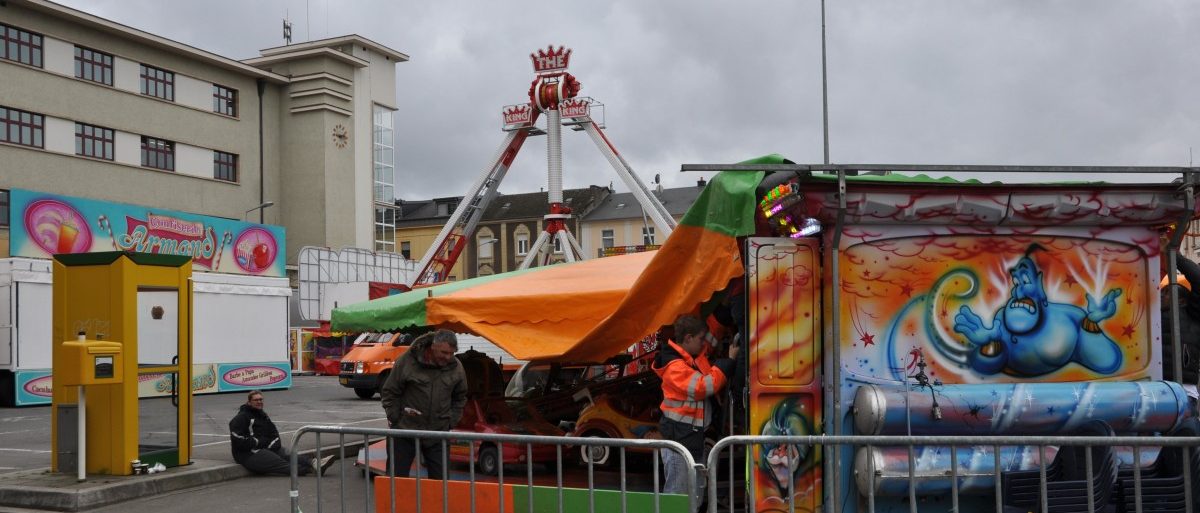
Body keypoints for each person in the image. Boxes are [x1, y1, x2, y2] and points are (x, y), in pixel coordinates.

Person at [653, 314, 737, 502]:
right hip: (679, 443)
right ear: (688, 338)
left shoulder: (692, 355)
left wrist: (723, 310)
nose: (704, 343)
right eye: (700, 339)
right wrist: (727, 364)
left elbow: (711, 337)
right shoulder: (675, 367)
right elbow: (702, 386)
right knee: (678, 497)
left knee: (695, 496)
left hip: (690, 439)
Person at [380, 329, 468, 478]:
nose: (448, 357)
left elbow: (460, 397)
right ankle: (397, 502)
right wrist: (395, 418)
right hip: (405, 431)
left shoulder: (456, 367)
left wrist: (450, 421)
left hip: (438, 433)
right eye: (444, 353)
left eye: (452, 353)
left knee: (441, 484)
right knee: (396, 481)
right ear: (432, 347)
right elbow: (390, 391)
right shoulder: (407, 361)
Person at [229, 390, 333, 476]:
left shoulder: (263, 416)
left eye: (261, 399)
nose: (259, 402)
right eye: (256, 400)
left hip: (263, 448)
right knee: (280, 462)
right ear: (249, 402)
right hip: (247, 454)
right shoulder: (241, 417)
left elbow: (274, 434)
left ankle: (314, 463)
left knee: (285, 453)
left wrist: (272, 446)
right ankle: (310, 470)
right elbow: (238, 439)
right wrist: (258, 443)